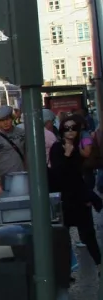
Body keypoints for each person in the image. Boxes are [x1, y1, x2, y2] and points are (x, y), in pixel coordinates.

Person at [50, 116, 102, 272]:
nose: (71, 131)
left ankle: (99, 265)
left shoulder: (78, 148)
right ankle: (65, 270)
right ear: (62, 131)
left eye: (74, 128)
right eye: (67, 128)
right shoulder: (57, 148)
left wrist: (88, 196)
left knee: (88, 234)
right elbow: (58, 173)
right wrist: (66, 155)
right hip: (64, 199)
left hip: (79, 197)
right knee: (63, 237)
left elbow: (78, 175)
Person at [0, 105, 26, 198]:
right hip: (4, 180)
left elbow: (27, 154)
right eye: (2, 121)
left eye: (7, 119)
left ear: (12, 119)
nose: (5, 123)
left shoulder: (22, 133)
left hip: (22, 177)